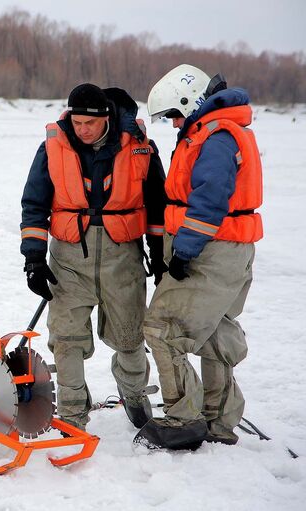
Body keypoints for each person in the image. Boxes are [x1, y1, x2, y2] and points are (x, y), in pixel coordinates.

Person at [20, 83, 167, 432]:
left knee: (130, 337)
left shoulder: (141, 148)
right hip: (69, 260)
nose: (82, 129)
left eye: (90, 123)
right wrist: (34, 259)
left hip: (123, 259)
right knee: (66, 339)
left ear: (107, 118)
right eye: (78, 121)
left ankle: (134, 396)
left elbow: (159, 206)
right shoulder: (52, 148)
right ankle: (72, 412)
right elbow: (34, 204)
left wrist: (159, 256)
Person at [134, 65, 263, 450]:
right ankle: (219, 422)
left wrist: (184, 251)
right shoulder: (219, 130)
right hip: (230, 249)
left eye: (175, 115)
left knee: (161, 328)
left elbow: (209, 202)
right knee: (214, 331)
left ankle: (183, 420)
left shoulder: (216, 138)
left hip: (210, 250)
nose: (174, 124)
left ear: (191, 104)